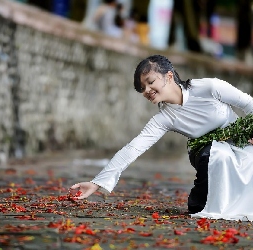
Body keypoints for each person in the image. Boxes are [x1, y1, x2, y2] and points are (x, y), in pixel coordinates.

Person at [70, 55, 253, 221]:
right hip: (206, 152)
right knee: (216, 155)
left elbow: (248, 104)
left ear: (169, 76)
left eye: (150, 82)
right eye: (142, 88)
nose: (147, 90)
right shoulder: (163, 118)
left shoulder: (209, 88)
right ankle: (206, 199)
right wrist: (96, 183)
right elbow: (133, 148)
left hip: (241, 142)